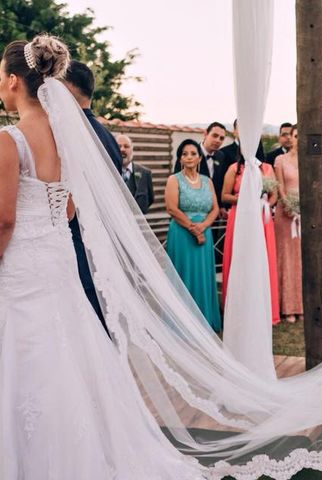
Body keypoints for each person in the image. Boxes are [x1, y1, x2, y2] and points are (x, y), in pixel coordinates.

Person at [0, 35, 202, 479]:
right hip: (55, 259)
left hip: (20, 262)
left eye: (1, 76)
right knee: (69, 350)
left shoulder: (10, 139)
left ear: (14, 81)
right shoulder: (68, 138)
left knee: (25, 352)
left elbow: (4, 220)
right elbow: (68, 207)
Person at [63, 59, 122, 331]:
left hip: (75, 244)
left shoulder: (70, 134)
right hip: (101, 245)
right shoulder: (107, 136)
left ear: (66, 88)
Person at [165, 139, 221, 332]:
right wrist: (193, 228)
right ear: (180, 158)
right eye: (184, 153)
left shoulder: (207, 181)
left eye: (193, 153)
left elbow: (215, 208)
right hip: (182, 235)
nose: (189, 157)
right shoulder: (174, 180)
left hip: (204, 236)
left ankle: (204, 320)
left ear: (199, 157)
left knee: (203, 276)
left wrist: (203, 226)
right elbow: (171, 208)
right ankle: (183, 323)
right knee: (184, 275)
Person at [221, 150, 280, 325]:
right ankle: (238, 309)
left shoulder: (267, 168)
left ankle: (264, 308)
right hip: (240, 217)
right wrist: (246, 200)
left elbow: (274, 194)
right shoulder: (234, 169)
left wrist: (264, 204)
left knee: (262, 259)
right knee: (241, 259)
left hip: (262, 218)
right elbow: (224, 195)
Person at [274, 124, 303, 323]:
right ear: (291, 138)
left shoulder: (311, 160)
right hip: (285, 215)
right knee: (285, 258)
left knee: (301, 259)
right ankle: (286, 307)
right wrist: (289, 206)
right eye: (295, 135)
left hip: (305, 216)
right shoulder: (280, 160)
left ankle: (301, 306)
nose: (298, 138)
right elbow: (280, 186)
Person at [173, 121, 227, 207]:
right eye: (215, 135)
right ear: (205, 134)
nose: (218, 140)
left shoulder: (221, 156)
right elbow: (177, 184)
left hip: (214, 211)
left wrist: (220, 207)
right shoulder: (188, 154)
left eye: (221, 138)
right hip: (190, 208)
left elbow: (220, 184)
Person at [117, 134, 154, 214]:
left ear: (132, 149)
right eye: (119, 146)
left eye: (126, 146)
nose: (122, 149)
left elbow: (150, 199)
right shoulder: (109, 172)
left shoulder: (145, 173)